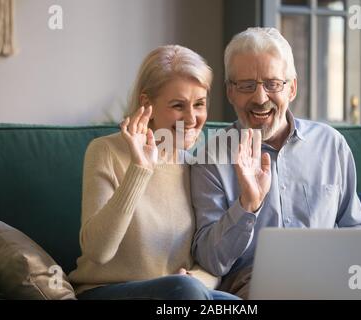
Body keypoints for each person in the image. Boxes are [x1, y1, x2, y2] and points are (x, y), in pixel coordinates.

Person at [190, 27, 361, 300]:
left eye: (272, 84)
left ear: (291, 88)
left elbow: (356, 228)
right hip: (254, 279)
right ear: (230, 92)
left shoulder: (331, 144)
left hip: (329, 270)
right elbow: (211, 259)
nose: (260, 99)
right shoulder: (210, 158)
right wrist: (248, 205)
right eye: (247, 85)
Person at [68, 45, 239, 300]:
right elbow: (98, 251)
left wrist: (195, 279)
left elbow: (211, 256)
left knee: (236, 303)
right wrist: (140, 169)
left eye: (199, 104)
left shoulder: (199, 163)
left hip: (179, 294)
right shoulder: (105, 151)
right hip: (106, 292)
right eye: (178, 106)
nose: (192, 119)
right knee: (186, 292)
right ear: (146, 103)